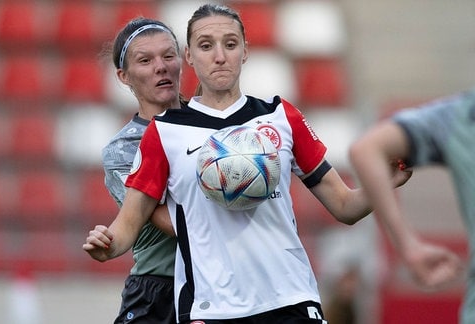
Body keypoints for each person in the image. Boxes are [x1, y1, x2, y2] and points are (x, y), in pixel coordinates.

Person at [84, 4, 410, 323]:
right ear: (192, 56)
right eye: (206, 45)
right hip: (187, 291)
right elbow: (157, 225)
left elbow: (343, 204)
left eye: (230, 44)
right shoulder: (153, 139)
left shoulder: (276, 119)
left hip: (287, 294)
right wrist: (108, 244)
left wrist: (383, 180)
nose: (161, 67)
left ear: (245, 50)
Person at [349, 90, 471, 323]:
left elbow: (366, 149)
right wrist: (408, 246)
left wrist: (409, 247)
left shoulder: (460, 116)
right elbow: (366, 151)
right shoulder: (462, 117)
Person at [96, 17, 184, 324]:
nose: (161, 67)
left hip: (221, 283)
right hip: (159, 290)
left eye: (168, 56)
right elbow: (171, 222)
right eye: (145, 61)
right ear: (124, 76)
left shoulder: (215, 127)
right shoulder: (123, 150)